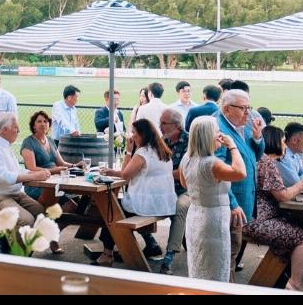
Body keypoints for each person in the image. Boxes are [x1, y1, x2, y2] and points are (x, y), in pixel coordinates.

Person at [96, 119, 176, 266]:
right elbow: (127, 173)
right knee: (115, 207)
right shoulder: (162, 150)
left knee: (110, 210)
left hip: (147, 205)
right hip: (163, 204)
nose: (132, 136)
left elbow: (125, 175)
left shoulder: (143, 152)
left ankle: (107, 254)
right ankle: (149, 243)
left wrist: (128, 151)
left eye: (134, 133)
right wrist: (112, 172)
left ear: (143, 135)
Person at [243, 126, 303, 291]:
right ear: (275, 142)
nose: (285, 145)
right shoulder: (268, 162)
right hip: (259, 221)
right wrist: (302, 184)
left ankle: (280, 280)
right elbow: (283, 195)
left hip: (251, 217)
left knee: (297, 227)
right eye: (282, 141)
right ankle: (295, 283)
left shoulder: (257, 158)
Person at [179, 116, 246, 282]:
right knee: (216, 267)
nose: (219, 135)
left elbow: (184, 183)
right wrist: (232, 146)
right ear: (208, 136)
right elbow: (240, 173)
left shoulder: (187, 159)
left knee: (198, 264)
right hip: (213, 220)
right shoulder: (211, 164)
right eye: (216, 131)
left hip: (195, 215)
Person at [0, 113, 50, 253]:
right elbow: (3, 177)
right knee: (27, 220)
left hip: (12, 194)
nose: (18, 131)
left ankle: (5, 241)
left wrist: (39, 173)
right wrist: (34, 176)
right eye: (16, 128)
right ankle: (17, 256)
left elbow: (16, 170)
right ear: (4, 130)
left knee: (42, 214)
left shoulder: (4, 145)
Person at [215, 89, 264, 282]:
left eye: (249, 108)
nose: (248, 113)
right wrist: (233, 204)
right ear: (227, 109)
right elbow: (216, 172)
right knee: (228, 257)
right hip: (229, 205)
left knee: (231, 255)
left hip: (241, 202)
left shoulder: (237, 127)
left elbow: (254, 157)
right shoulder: (219, 129)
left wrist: (258, 137)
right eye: (243, 108)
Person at [20, 110, 82, 252]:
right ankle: (48, 239)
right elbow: (32, 168)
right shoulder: (28, 142)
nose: (43, 124)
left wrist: (74, 165)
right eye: (39, 121)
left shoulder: (51, 141)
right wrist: (56, 170)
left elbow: (61, 162)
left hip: (55, 182)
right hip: (37, 185)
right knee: (53, 210)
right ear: (33, 126)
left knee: (73, 208)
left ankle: (51, 235)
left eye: (46, 121)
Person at [158, 108, 189, 275]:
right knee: (132, 203)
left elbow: (185, 172)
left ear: (176, 126)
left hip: (187, 190)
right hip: (165, 189)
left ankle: (169, 257)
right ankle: (149, 243)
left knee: (180, 207)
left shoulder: (190, 141)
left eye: (163, 123)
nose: (160, 126)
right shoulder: (162, 141)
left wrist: (160, 175)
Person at [276, 122, 303, 187]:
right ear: (294, 140)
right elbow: (296, 184)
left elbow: (302, 172)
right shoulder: (284, 158)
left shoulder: (295, 155)